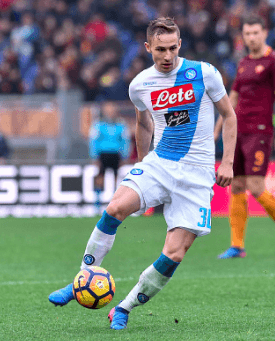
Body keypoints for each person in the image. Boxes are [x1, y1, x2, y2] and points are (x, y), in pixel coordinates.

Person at [48, 17, 237, 330]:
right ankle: (83, 277)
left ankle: (124, 307)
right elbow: (144, 123)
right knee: (114, 208)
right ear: (148, 47)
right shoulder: (140, 84)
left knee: (175, 253)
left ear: (180, 45)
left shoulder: (204, 73)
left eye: (173, 48)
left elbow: (229, 117)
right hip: (160, 163)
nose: (167, 55)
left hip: (198, 174)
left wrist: (227, 161)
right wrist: (142, 161)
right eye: (160, 49)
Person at [213, 15, 275, 259]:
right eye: (247, 33)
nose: (251, 37)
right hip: (237, 132)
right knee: (237, 186)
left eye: (255, 32)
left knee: (255, 185)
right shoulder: (243, 63)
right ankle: (237, 245)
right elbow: (232, 99)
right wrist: (217, 128)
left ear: (264, 33)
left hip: (260, 131)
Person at [89, 101, 131, 208]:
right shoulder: (98, 125)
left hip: (116, 154)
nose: (110, 112)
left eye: (112, 110)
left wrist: (125, 155)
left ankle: (114, 203)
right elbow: (94, 140)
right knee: (100, 178)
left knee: (116, 178)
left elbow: (125, 141)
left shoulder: (121, 125)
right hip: (102, 154)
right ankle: (97, 203)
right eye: (108, 110)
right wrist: (94, 156)